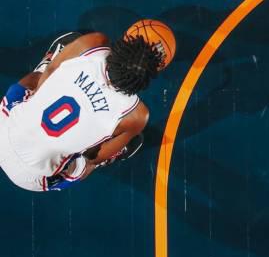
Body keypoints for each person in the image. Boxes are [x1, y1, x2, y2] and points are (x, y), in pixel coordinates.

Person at [0, 31, 163, 191]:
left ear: (119, 48)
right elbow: (94, 157)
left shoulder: (93, 44)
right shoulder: (137, 115)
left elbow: (51, 70)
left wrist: (39, 98)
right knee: (86, 164)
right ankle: (111, 155)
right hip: (30, 177)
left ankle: (43, 66)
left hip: (3, 132)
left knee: (37, 80)